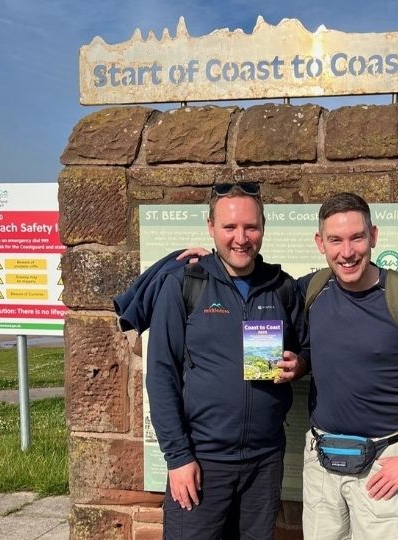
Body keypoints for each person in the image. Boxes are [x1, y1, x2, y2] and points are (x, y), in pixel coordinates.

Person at [145, 182, 308, 540]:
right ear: (210, 227)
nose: (241, 238)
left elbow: (306, 349)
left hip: (264, 463)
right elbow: (160, 375)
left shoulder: (282, 287)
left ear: (263, 227)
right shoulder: (185, 284)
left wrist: (300, 364)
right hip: (201, 462)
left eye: (251, 227)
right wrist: (178, 458)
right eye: (229, 227)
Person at [301, 192, 398, 539]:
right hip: (322, 462)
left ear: (374, 236)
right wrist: (213, 263)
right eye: (335, 240)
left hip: (385, 463)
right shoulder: (311, 290)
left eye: (357, 237)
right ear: (320, 243)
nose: (347, 251)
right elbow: (255, 290)